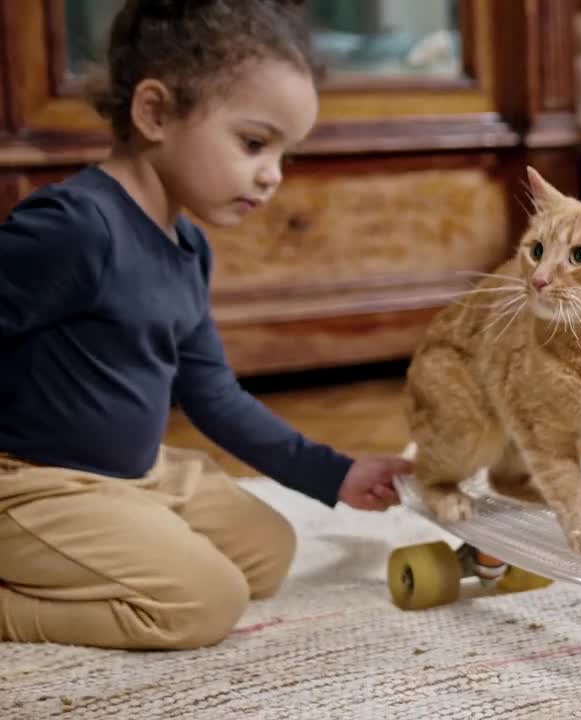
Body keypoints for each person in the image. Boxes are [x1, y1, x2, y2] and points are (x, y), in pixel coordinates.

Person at [0, 0, 410, 651]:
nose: (273, 174)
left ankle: (125, 531)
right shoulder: (75, 228)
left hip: (136, 475)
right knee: (202, 601)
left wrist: (336, 475)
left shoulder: (189, 248)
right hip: (33, 483)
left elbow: (214, 396)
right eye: (254, 143)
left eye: (285, 154)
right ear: (155, 112)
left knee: (268, 553)